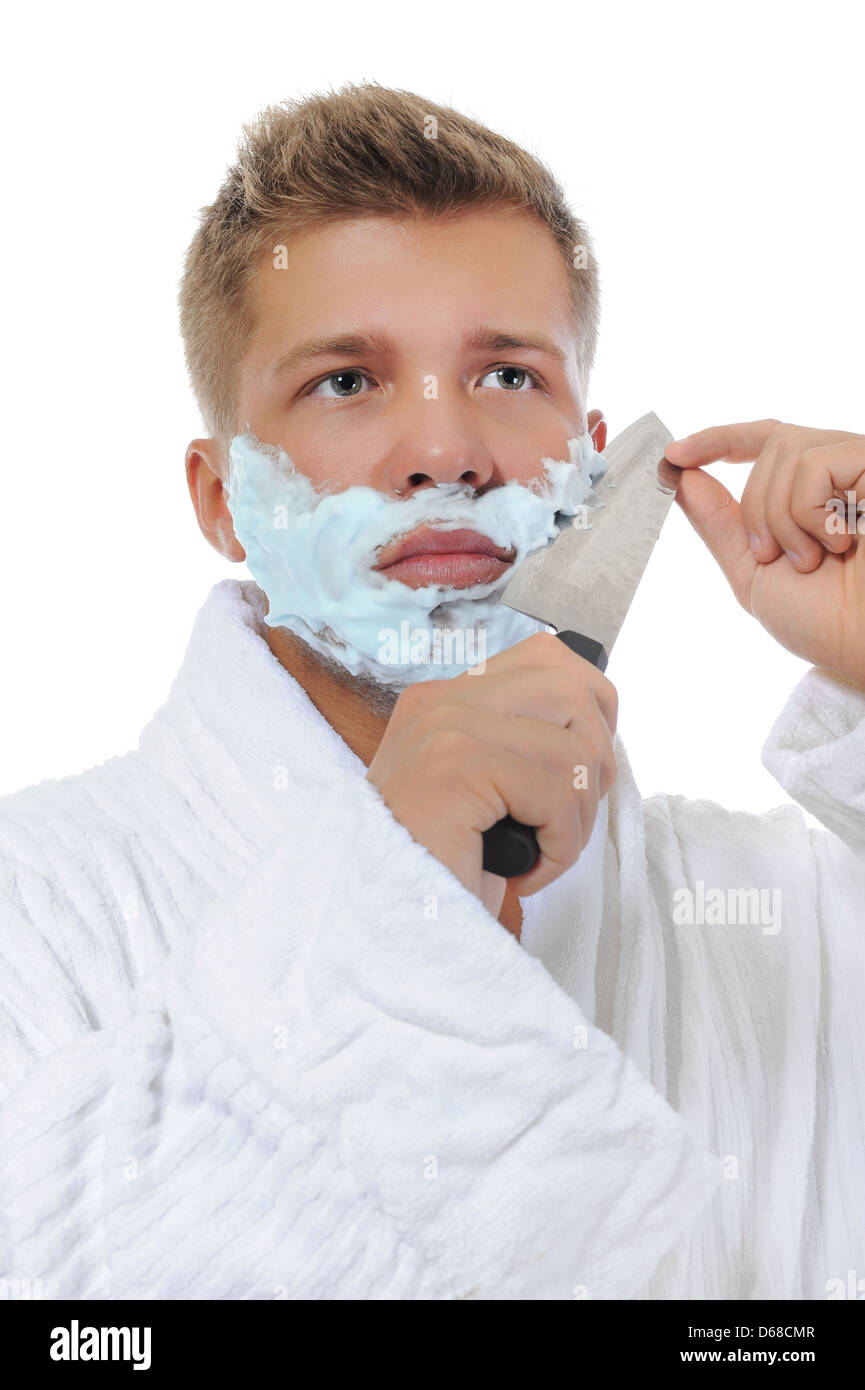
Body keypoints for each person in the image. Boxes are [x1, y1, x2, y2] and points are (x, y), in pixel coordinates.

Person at [1, 82, 863, 1301]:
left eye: (509, 376)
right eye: (346, 382)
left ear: (593, 455)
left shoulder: (791, 914)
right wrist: (390, 904)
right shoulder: (31, 907)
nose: (446, 450)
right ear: (221, 500)